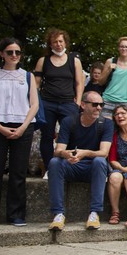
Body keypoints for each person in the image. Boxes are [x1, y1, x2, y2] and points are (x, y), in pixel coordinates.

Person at [0, 38, 39, 228]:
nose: (14, 55)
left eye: (17, 52)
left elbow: (34, 104)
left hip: (23, 126)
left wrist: (22, 128)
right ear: (2, 54)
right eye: (10, 52)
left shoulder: (27, 76)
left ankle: (17, 214)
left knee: (18, 173)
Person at [46, 90, 113, 231]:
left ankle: (94, 213)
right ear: (83, 105)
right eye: (95, 104)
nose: (99, 108)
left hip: (93, 168)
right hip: (72, 165)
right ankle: (58, 214)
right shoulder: (69, 121)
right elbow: (58, 151)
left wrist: (85, 153)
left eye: (101, 104)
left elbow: (104, 153)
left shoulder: (106, 123)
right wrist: (66, 154)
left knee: (100, 161)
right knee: (54, 162)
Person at [33, 29, 85, 170]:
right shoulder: (43, 61)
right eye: (54, 42)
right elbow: (36, 85)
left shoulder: (74, 61)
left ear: (65, 42)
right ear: (50, 44)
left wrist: (78, 102)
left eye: (60, 41)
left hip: (68, 103)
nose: (58, 44)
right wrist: (36, 103)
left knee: (71, 134)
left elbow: (79, 83)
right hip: (47, 103)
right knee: (47, 136)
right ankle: (50, 168)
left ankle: (68, 165)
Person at [98, 36, 127, 121]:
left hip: (126, 103)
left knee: (124, 131)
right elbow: (100, 82)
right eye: (122, 46)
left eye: (126, 47)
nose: (124, 49)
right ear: (118, 48)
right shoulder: (110, 61)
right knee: (104, 129)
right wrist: (108, 70)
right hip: (108, 101)